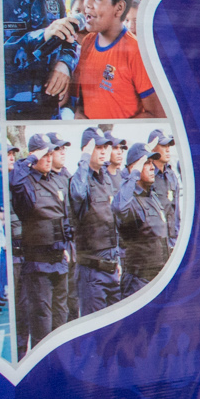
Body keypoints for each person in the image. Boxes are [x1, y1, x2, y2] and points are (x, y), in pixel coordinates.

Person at [73, 0, 163, 119]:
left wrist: (117, 132)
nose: (87, 3)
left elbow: (157, 114)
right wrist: (79, 115)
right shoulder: (87, 43)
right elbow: (83, 100)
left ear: (119, 8)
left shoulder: (136, 51)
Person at [11, 134, 74, 349]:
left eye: (50, 154)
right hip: (38, 264)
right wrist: (30, 158)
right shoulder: (26, 183)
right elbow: (14, 181)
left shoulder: (55, 181)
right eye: (44, 155)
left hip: (59, 260)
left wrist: (67, 246)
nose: (49, 159)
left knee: (61, 318)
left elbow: (64, 217)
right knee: (42, 322)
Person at [71, 129, 126, 315]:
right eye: (98, 147)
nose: (103, 151)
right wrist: (84, 157)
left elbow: (113, 222)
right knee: (95, 332)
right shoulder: (80, 179)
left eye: (105, 147)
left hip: (111, 267)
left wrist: (116, 258)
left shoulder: (105, 180)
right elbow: (78, 194)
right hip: (92, 272)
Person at [117, 142, 176, 295]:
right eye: (146, 163)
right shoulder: (129, 199)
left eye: (152, 163)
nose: (152, 167)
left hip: (158, 279)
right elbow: (120, 209)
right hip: (139, 282)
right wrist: (134, 174)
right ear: (133, 168)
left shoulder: (152, 196)